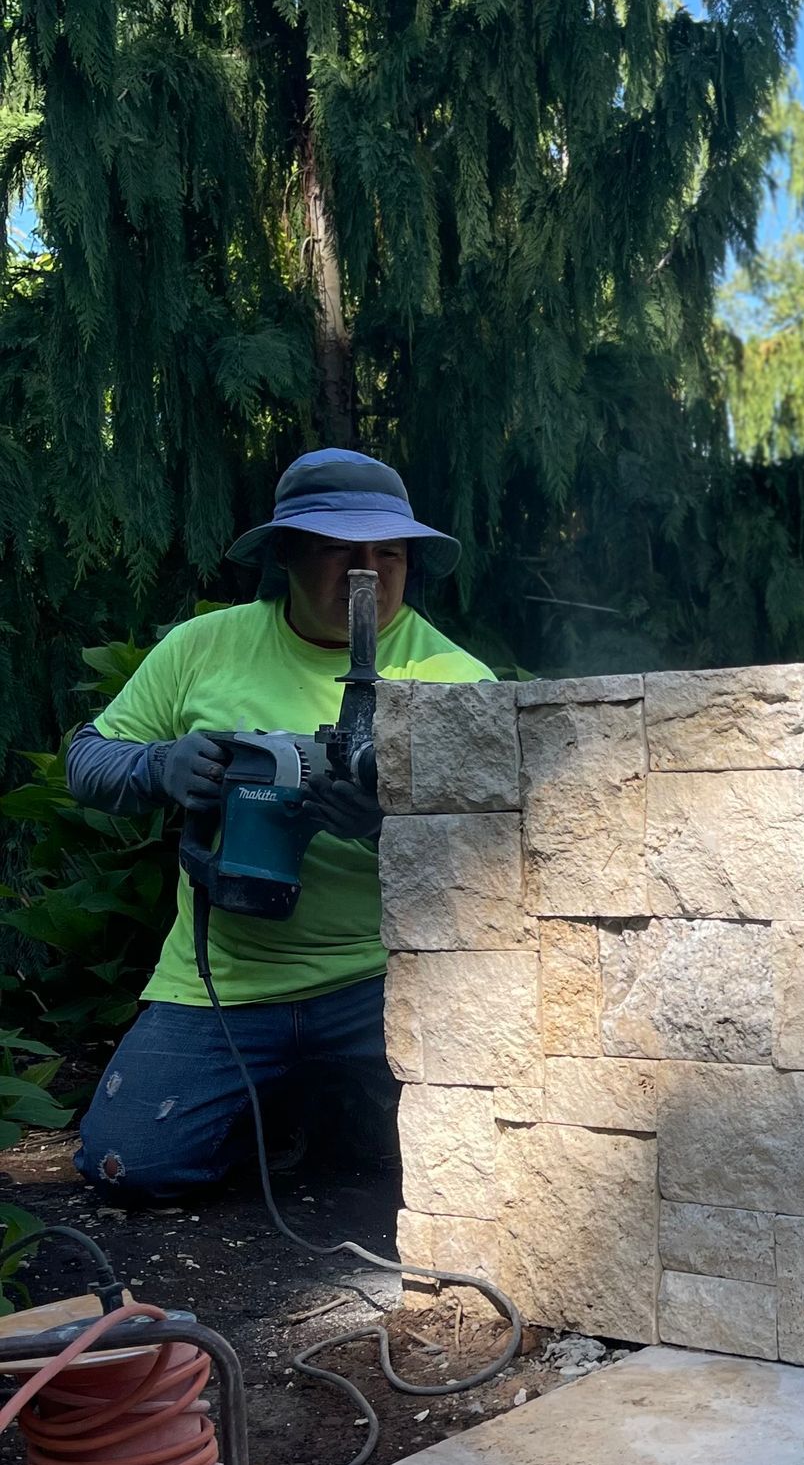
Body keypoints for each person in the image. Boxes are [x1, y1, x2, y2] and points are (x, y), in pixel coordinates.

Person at [67, 449, 492, 1199]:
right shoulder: (205, 646)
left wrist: (387, 826)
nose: (367, 573)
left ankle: (323, 1105)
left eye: (388, 553)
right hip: (226, 980)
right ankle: (274, 1104)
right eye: (338, 551)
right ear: (286, 554)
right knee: (131, 1164)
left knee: (457, 1156)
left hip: (381, 980)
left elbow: (496, 857)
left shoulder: (456, 680)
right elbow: (87, 760)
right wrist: (160, 766)